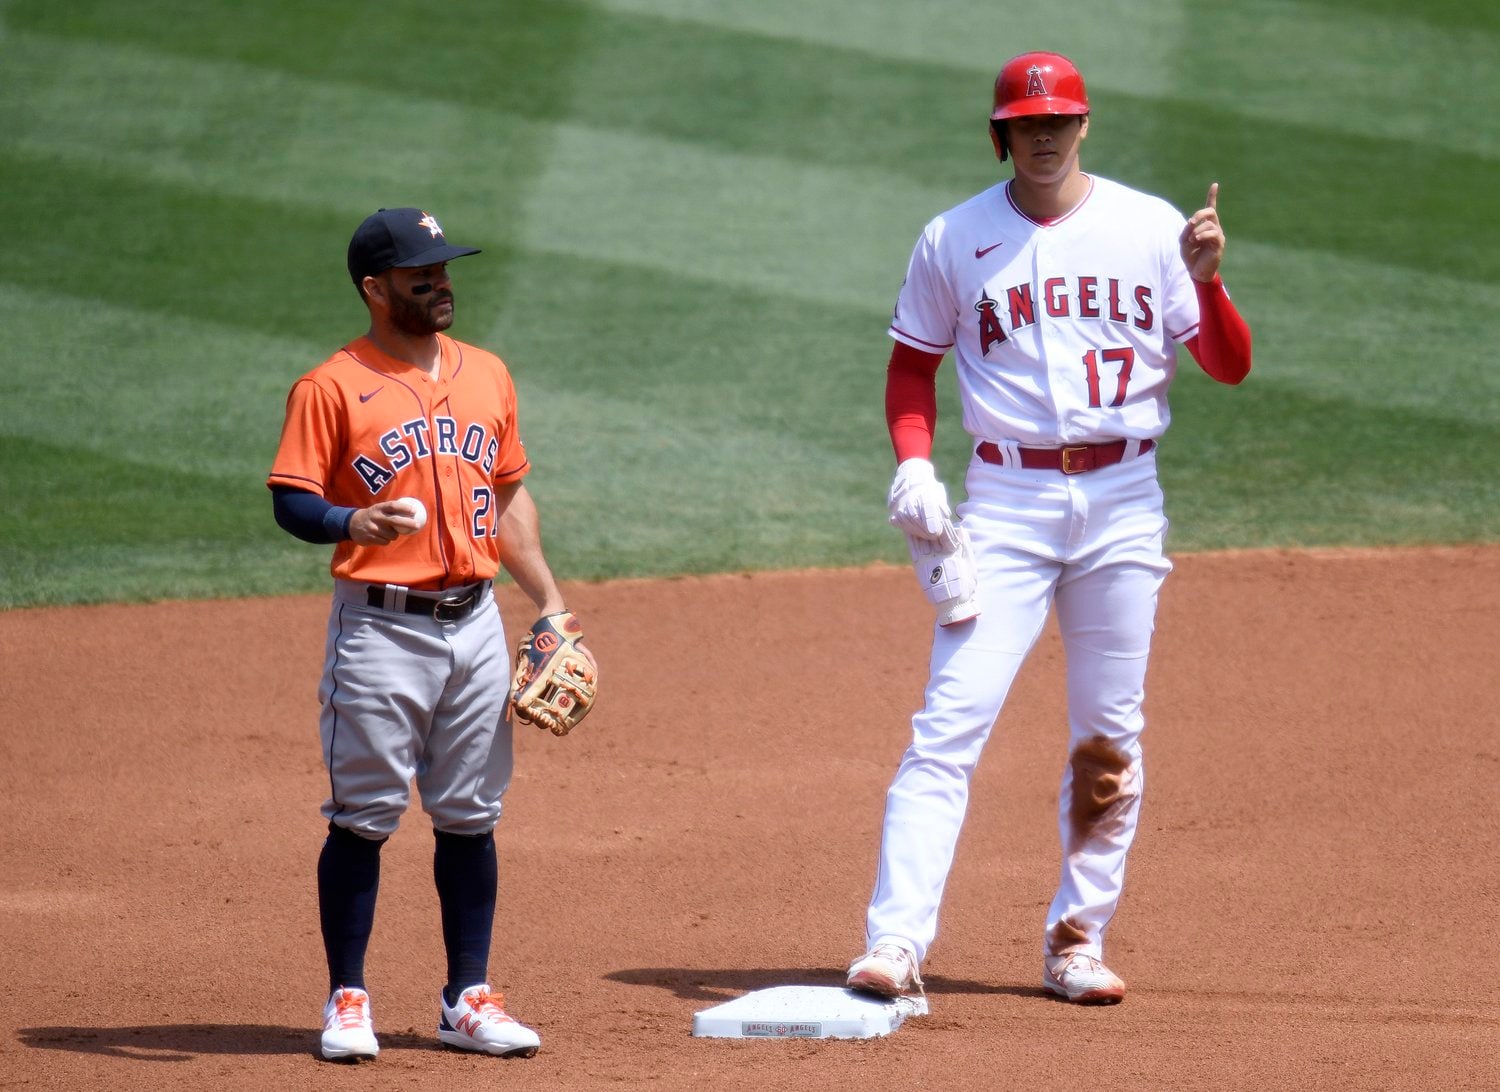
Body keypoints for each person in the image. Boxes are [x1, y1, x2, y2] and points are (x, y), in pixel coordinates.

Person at [846, 52, 1251, 1005]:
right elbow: (911, 369)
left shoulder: (1150, 228)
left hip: (1124, 502)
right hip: (1008, 503)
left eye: (1059, 120)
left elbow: (1228, 365)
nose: (1044, 136)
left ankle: (1077, 942)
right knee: (949, 722)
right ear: (1002, 133)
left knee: (1108, 734)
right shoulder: (953, 238)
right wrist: (914, 463)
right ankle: (896, 941)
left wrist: (1210, 284)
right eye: (1027, 123)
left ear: (1083, 124)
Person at [268, 207, 592, 1060]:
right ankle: (347, 998)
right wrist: (350, 520)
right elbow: (292, 499)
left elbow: (507, 496)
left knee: (471, 813)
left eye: (444, 268)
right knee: (364, 815)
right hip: (381, 632)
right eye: (421, 275)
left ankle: (467, 999)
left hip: (476, 622)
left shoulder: (487, 374)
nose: (441, 284)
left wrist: (550, 602)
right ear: (375, 289)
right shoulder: (330, 386)